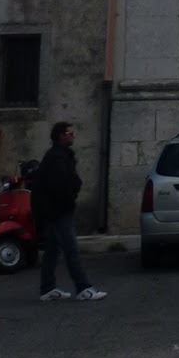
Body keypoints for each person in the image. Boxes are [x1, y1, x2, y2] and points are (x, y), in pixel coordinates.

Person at [32, 121, 107, 302]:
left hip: (51, 209)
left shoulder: (58, 155)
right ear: (61, 135)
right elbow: (60, 185)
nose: (73, 136)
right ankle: (83, 288)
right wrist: (70, 199)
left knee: (52, 249)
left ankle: (47, 288)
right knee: (70, 248)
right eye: (69, 133)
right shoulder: (58, 157)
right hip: (58, 210)